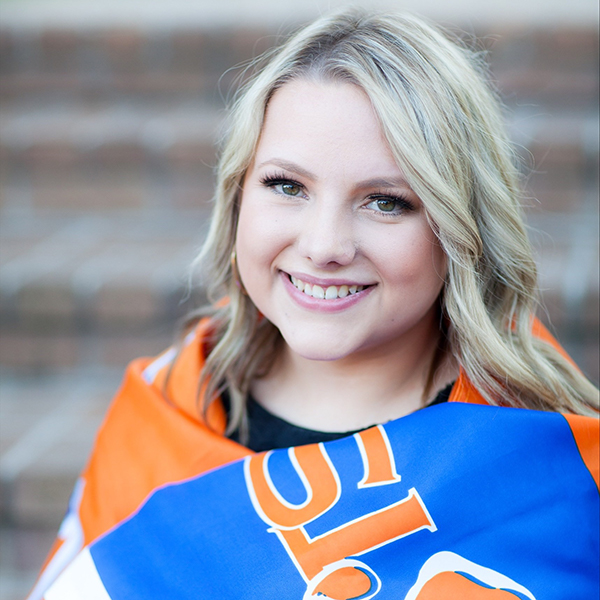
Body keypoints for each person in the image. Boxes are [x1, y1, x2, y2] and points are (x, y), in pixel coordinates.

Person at [31, 9, 598, 600]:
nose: (324, 246)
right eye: (286, 186)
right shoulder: (159, 416)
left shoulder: (543, 453)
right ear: (237, 196)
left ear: (461, 229)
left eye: (385, 202)